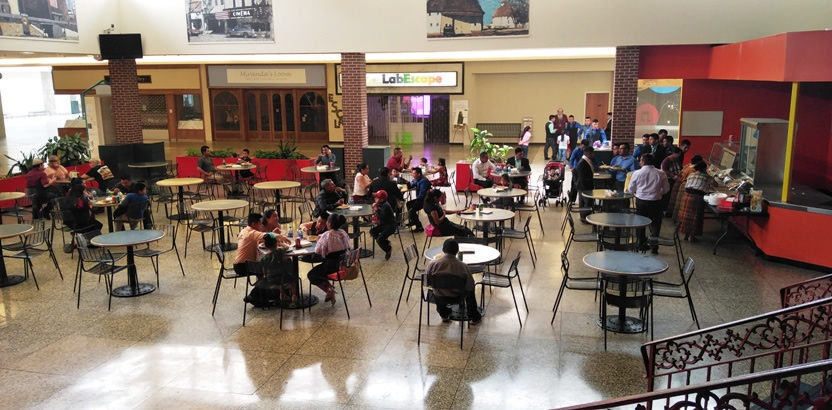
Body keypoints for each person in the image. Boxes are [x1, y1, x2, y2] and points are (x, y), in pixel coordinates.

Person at [424, 239, 482, 324]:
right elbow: (470, 285)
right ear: (457, 251)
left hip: (439, 297)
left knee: (437, 290)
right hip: (458, 297)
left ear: (443, 250)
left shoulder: (432, 264)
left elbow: (426, 282)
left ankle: (444, 314)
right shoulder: (463, 266)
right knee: (470, 289)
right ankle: (474, 316)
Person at [627, 154, 670, 254]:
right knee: (656, 223)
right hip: (655, 201)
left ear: (643, 161)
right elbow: (666, 189)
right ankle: (654, 245)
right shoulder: (661, 173)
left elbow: (631, 189)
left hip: (641, 201)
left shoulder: (637, 173)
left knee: (640, 222)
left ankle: (641, 243)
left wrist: (638, 191)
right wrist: (658, 192)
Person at [307, 214, 351, 305]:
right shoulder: (343, 233)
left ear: (329, 223)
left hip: (330, 267)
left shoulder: (327, 235)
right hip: (342, 266)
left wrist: (319, 241)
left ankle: (328, 290)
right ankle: (330, 288)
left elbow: (318, 252)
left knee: (312, 275)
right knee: (319, 272)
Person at [247, 234, 298, 307]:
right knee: (292, 282)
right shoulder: (279, 251)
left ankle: (282, 295)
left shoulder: (264, 257)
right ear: (276, 244)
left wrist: (265, 275)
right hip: (282, 278)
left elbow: (264, 269)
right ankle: (294, 297)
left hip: (270, 279)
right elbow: (287, 247)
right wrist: (281, 243)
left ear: (265, 245)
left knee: (279, 280)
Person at [678, 161, 715, 242]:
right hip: (697, 197)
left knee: (686, 217)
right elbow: (715, 184)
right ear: (705, 169)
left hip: (686, 195)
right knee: (695, 217)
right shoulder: (707, 177)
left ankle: (686, 235)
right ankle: (691, 236)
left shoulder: (692, 174)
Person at [672, 155, 704, 220]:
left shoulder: (688, 166)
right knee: (682, 206)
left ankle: (676, 218)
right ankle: (679, 219)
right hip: (686, 186)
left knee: (679, 204)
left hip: (682, 185)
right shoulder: (693, 170)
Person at [369, 190, 396, 260]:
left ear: (381, 199)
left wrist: (376, 209)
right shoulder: (381, 204)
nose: (375, 199)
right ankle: (386, 242)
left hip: (390, 226)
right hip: (384, 224)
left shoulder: (386, 206)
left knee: (379, 240)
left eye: (377, 197)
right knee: (372, 231)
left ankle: (388, 249)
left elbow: (380, 217)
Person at [406, 167, 431, 232]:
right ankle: (413, 220)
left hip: (424, 200)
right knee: (408, 204)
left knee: (412, 210)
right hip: (421, 199)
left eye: (414, 173)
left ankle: (419, 226)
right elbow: (412, 184)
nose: (413, 175)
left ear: (419, 174)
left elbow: (422, 193)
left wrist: (417, 200)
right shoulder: (418, 179)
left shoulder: (423, 181)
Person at [575, 146, 596, 222]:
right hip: (584, 187)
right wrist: (586, 189)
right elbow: (582, 178)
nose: (594, 155)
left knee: (584, 202)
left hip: (585, 186)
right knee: (586, 202)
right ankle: (585, 217)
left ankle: (584, 217)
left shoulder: (587, 161)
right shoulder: (582, 163)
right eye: (593, 153)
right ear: (589, 154)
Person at [661, 147, 683, 215]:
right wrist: (673, 176)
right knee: (667, 196)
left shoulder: (677, 160)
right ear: (673, 153)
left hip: (675, 180)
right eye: (678, 154)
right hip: (669, 180)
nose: (679, 155)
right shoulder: (666, 161)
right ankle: (665, 211)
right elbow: (665, 170)